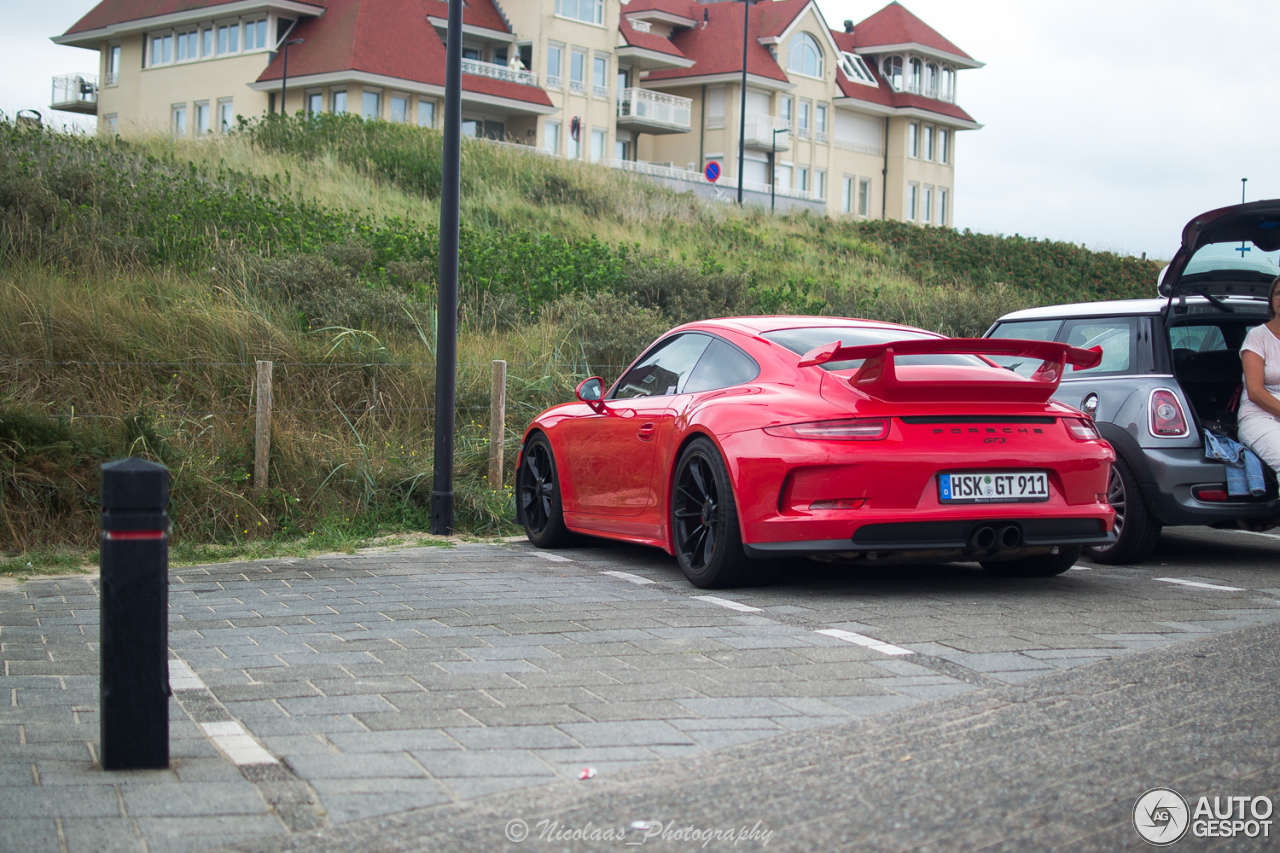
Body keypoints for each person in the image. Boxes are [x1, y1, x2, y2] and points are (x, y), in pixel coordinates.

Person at [1238, 273, 1280, 471]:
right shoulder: (1257, 337)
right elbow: (1255, 392)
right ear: (1271, 300)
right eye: (1278, 294)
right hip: (1258, 417)